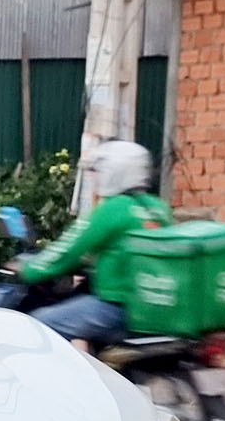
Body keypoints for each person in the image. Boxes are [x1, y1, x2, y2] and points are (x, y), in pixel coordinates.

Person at [14, 140, 170, 350]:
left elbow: (69, 249)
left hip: (117, 308)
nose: (97, 179)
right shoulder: (158, 208)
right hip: (155, 308)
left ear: (114, 172)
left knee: (36, 325)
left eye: (100, 172)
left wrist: (29, 270)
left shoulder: (114, 208)